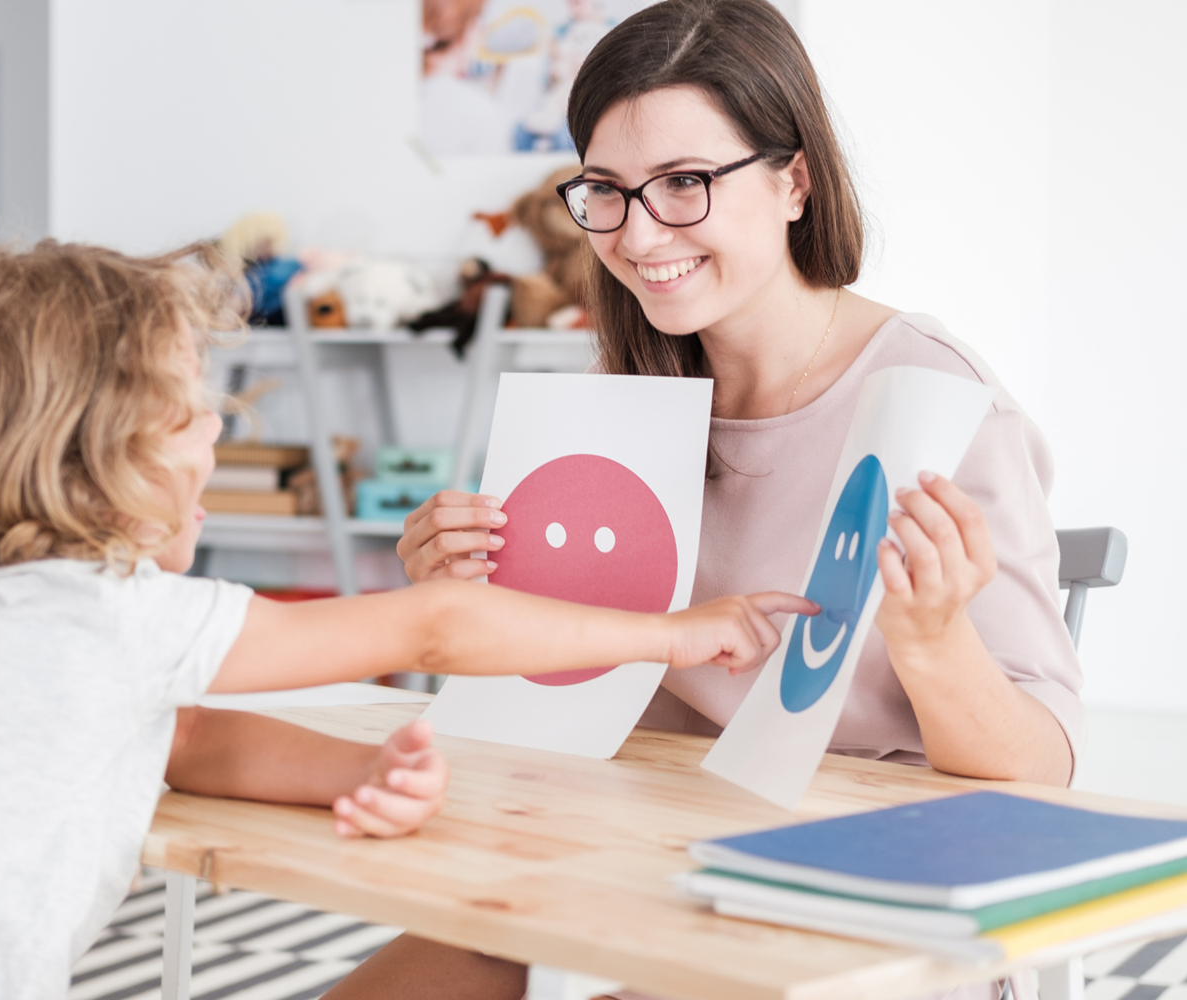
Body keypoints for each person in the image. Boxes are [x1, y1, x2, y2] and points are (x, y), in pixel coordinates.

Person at [0, 240, 810, 999]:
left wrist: (342, 773)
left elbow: (181, 737)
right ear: (91, 455)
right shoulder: (98, 617)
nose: (215, 431)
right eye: (187, 410)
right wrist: (672, 633)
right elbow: (435, 627)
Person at [330, 1, 1083, 997]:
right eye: (607, 189)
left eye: (684, 183)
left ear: (794, 180)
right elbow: (550, 683)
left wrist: (934, 637)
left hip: (861, 887)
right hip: (630, 850)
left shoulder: (935, 405)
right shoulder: (617, 396)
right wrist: (460, 590)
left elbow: (1043, 773)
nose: (639, 234)